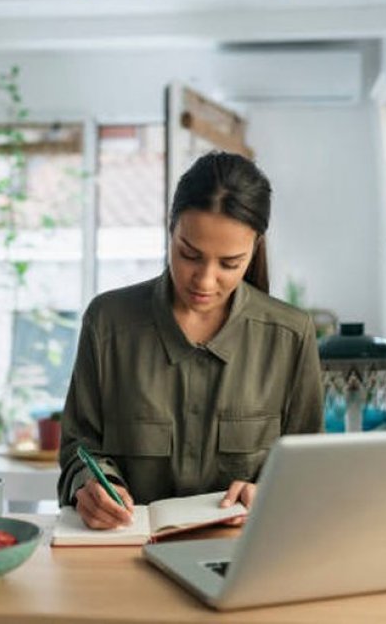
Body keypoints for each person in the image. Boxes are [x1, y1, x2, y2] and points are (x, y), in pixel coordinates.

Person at [57, 151, 323, 529]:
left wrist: (271, 493)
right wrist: (95, 487)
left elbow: (308, 469)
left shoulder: (291, 335)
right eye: (189, 254)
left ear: (255, 248)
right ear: (170, 230)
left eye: (229, 263)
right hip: (125, 551)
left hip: (243, 554)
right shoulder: (108, 322)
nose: (204, 280)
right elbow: (78, 448)